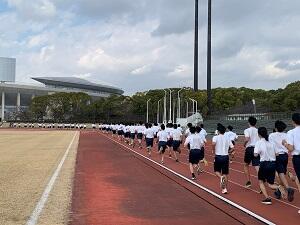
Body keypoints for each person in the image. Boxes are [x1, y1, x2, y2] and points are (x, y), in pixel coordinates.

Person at [254, 127, 286, 205]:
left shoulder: (258, 143)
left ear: (258, 134)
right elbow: (277, 154)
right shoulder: (271, 143)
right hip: (272, 164)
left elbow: (255, 154)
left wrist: (259, 154)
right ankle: (278, 187)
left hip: (264, 164)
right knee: (270, 184)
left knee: (261, 181)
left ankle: (267, 198)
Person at [269, 120, 294, 202]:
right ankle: (279, 191)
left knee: (280, 174)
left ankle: (288, 188)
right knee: (282, 173)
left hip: (277, 156)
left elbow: (271, 146)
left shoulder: (272, 135)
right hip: (285, 156)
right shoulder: (286, 135)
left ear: (275, 128)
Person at [282, 113, 300, 213]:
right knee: (297, 180)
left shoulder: (291, 132)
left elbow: (291, 148)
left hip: (298, 158)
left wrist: (284, 143)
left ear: (293, 121)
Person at [212, 125, 233, 194]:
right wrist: (228, 152)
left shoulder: (215, 137)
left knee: (216, 171)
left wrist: (213, 149)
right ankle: (225, 189)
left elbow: (213, 144)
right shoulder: (228, 138)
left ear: (218, 131)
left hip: (218, 156)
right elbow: (233, 148)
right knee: (225, 173)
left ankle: (221, 177)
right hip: (226, 157)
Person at [244, 117, 260, 188]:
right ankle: (261, 181)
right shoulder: (258, 130)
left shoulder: (247, 130)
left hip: (249, 149)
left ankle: (248, 181)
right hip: (257, 148)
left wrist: (244, 144)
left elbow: (247, 139)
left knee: (246, 165)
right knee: (257, 166)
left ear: (249, 123)